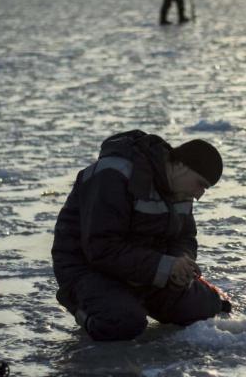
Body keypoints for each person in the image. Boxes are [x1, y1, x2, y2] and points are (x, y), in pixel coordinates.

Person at [52, 130, 229, 341]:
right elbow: (101, 249)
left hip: (144, 270)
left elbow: (185, 237)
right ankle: (83, 306)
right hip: (88, 269)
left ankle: (136, 299)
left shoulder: (181, 189)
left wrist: (181, 261)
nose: (200, 195)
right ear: (181, 165)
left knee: (208, 306)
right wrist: (164, 266)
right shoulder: (114, 174)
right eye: (200, 184)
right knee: (123, 322)